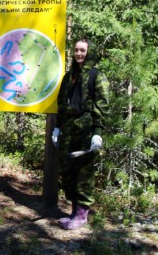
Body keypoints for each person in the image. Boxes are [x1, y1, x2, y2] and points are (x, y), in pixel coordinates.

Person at [52, 38, 109, 230]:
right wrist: (58, 127)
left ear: (89, 52)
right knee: (68, 171)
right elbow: (62, 104)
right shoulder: (69, 77)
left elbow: (102, 105)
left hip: (86, 129)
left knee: (84, 173)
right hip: (68, 128)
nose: (78, 54)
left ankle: (82, 216)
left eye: (83, 50)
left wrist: (97, 132)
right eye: (76, 50)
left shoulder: (96, 76)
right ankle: (73, 212)